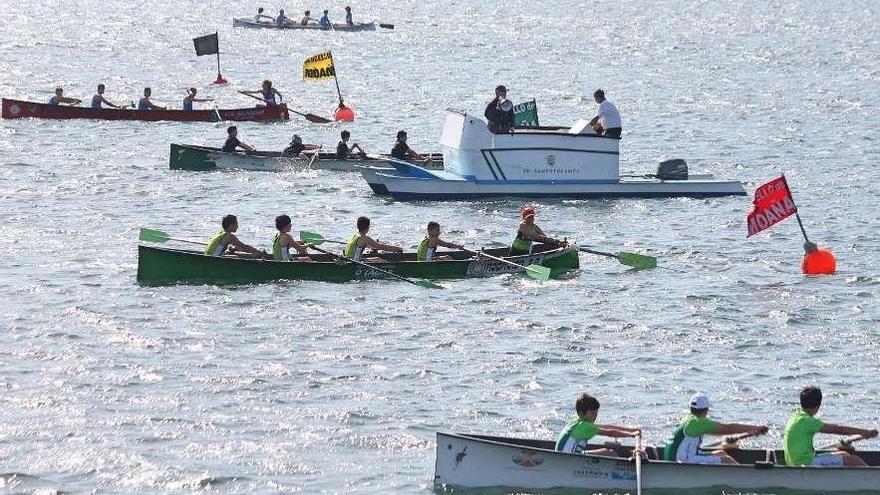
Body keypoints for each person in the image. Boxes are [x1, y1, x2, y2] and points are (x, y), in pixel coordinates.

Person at [784, 386, 878, 467]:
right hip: (805, 463)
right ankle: (874, 479)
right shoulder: (807, 421)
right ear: (818, 407)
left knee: (843, 453)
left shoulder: (795, 417)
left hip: (797, 461)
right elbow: (838, 429)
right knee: (854, 460)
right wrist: (864, 432)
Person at [663, 393, 769, 465]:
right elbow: (728, 428)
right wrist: (756, 428)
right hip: (682, 461)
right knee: (727, 460)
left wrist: (751, 431)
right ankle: (747, 479)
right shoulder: (698, 422)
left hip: (676, 457)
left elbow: (720, 431)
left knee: (721, 453)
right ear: (706, 410)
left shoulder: (687, 418)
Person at [555, 393, 641, 456]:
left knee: (608, 447)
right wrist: (632, 435)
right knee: (610, 453)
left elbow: (607, 427)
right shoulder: (585, 426)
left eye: (596, 414)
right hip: (568, 460)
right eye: (592, 413)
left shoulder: (577, 423)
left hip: (571, 455)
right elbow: (610, 432)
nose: (595, 417)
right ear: (581, 413)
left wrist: (632, 430)